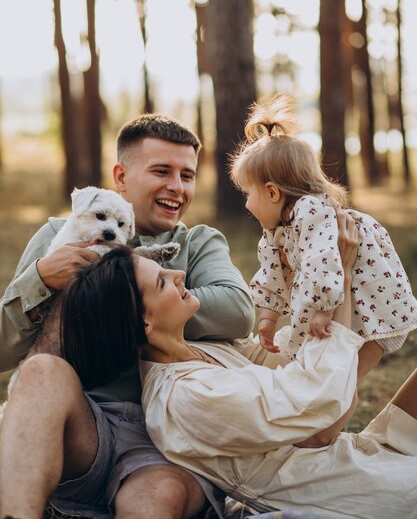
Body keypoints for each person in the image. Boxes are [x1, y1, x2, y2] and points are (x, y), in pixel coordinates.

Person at [58, 220, 417, 519]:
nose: (180, 274)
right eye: (162, 282)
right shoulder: (184, 399)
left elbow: (294, 361)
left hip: (360, 453)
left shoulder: (203, 349)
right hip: (350, 493)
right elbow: (318, 417)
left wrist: (314, 268)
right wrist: (337, 280)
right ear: (145, 323)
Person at [0, 114, 255, 519]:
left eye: (187, 175)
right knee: (40, 372)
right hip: (79, 424)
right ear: (121, 176)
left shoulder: (199, 243)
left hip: (165, 440)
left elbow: (238, 311)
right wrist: (41, 280)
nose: (177, 187)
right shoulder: (58, 237)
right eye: (161, 171)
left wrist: (118, 298)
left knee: (158, 498)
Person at [229, 93, 417, 368]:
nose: (246, 204)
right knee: (326, 370)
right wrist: (268, 317)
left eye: (247, 194)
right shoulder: (278, 230)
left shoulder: (310, 212)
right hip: (341, 311)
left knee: (346, 380)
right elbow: (271, 271)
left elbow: (323, 261)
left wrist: (323, 310)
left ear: (272, 192)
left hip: (373, 311)